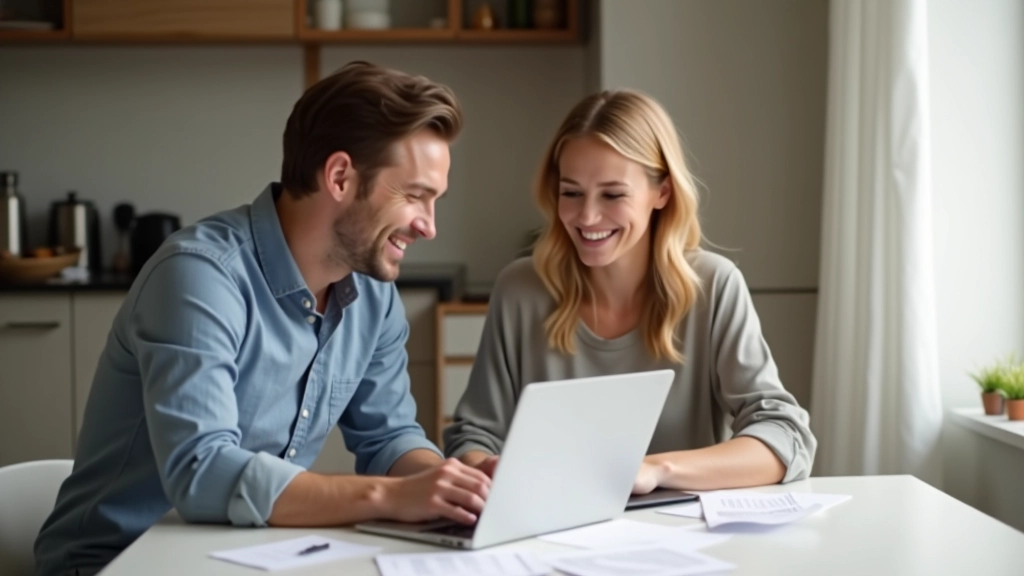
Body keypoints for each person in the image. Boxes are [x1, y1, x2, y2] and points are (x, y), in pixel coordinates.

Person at [35, 61, 491, 576]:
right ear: (340, 176)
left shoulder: (372, 294)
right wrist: (390, 495)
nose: (428, 226)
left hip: (243, 558)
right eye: (414, 196)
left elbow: (389, 438)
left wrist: (457, 493)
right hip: (115, 563)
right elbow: (201, 470)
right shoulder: (200, 277)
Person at [443, 89, 817, 493]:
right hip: (551, 536)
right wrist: (487, 469)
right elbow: (473, 438)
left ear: (663, 192)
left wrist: (654, 470)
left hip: (687, 540)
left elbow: (785, 439)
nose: (587, 217)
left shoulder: (714, 285)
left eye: (613, 194)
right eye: (571, 192)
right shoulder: (519, 290)